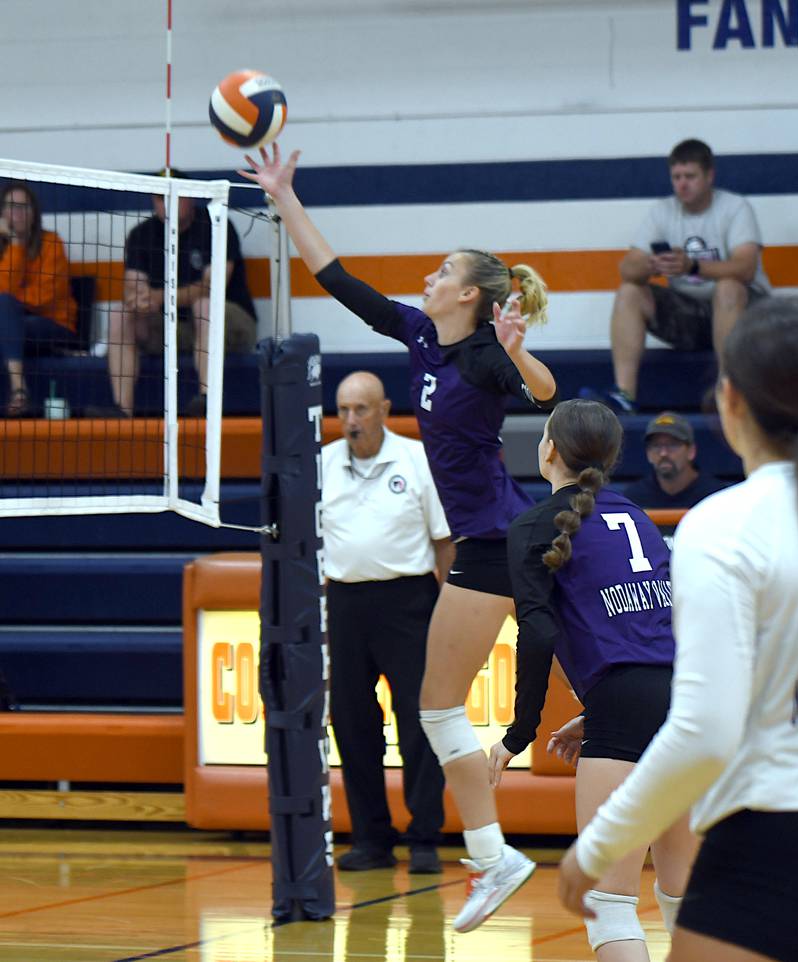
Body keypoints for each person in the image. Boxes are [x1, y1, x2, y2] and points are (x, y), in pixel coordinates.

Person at [240, 143, 558, 933]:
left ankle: (497, 857)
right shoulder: (422, 336)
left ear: (473, 296)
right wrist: (284, 194)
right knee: (438, 708)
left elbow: (547, 393)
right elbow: (337, 279)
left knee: (443, 707)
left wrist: (520, 349)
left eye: (442, 272)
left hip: (494, 540)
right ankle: (494, 858)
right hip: (492, 545)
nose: (427, 279)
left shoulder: (488, 354)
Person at [559, 296, 798, 962]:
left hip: (772, 823)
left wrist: (599, 847)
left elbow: (704, 732)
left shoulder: (721, 526)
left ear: (730, 403)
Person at [488, 398, 697, 960]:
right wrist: (597, 705)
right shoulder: (638, 516)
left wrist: (516, 736)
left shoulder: (533, 525)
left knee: (610, 906)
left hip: (626, 708)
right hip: (684, 703)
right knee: (683, 899)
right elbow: (662, 626)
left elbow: (535, 636)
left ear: (548, 448)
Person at [323, 370, 453, 874]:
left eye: (360, 409)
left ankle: (424, 837)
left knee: (420, 724)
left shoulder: (415, 459)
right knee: (353, 725)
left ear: (383, 410)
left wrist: (446, 610)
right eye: (343, 410)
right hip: (346, 603)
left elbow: (444, 541)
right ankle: (371, 840)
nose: (351, 420)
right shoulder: (322, 465)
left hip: (409, 602)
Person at [584, 138, 771, 414]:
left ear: (709, 176)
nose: (682, 184)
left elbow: (745, 267)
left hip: (745, 316)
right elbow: (627, 269)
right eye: (677, 177)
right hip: (691, 316)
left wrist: (693, 267)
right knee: (630, 291)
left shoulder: (735, 208)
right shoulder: (663, 212)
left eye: (690, 177)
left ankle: (727, 392)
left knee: (728, 287)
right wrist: (653, 264)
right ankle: (624, 395)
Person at [93, 169, 257, 418]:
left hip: (228, 323)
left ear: (191, 197)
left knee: (204, 306)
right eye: (161, 196)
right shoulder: (142, 234)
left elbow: (213, 286)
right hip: (170, 328)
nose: (168, 202)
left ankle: (206, 400)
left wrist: (158, 298)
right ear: (153, 201)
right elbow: (133, 287)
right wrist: (140, 300)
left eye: (177, 195)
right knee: (120, 314)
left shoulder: (216, 224)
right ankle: (122, 410)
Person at [0, 181, 77, 416]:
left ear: (34, 214)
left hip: (54, 325)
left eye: (24, 207)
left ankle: (19, 389)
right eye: (12, 207)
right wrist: (14, 244)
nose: (18, 213)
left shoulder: (52, 243)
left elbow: (43, 299)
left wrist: (11, 305)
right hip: (13, 327)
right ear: (2, 213)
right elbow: (5, 289)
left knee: (4, 306)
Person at [623, 411, 728, 509]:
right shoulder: (633, 499)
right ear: (648, 454)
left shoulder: (716, 497)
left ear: (691, 451)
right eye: (656, 446)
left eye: (673, 445)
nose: (663, 453)